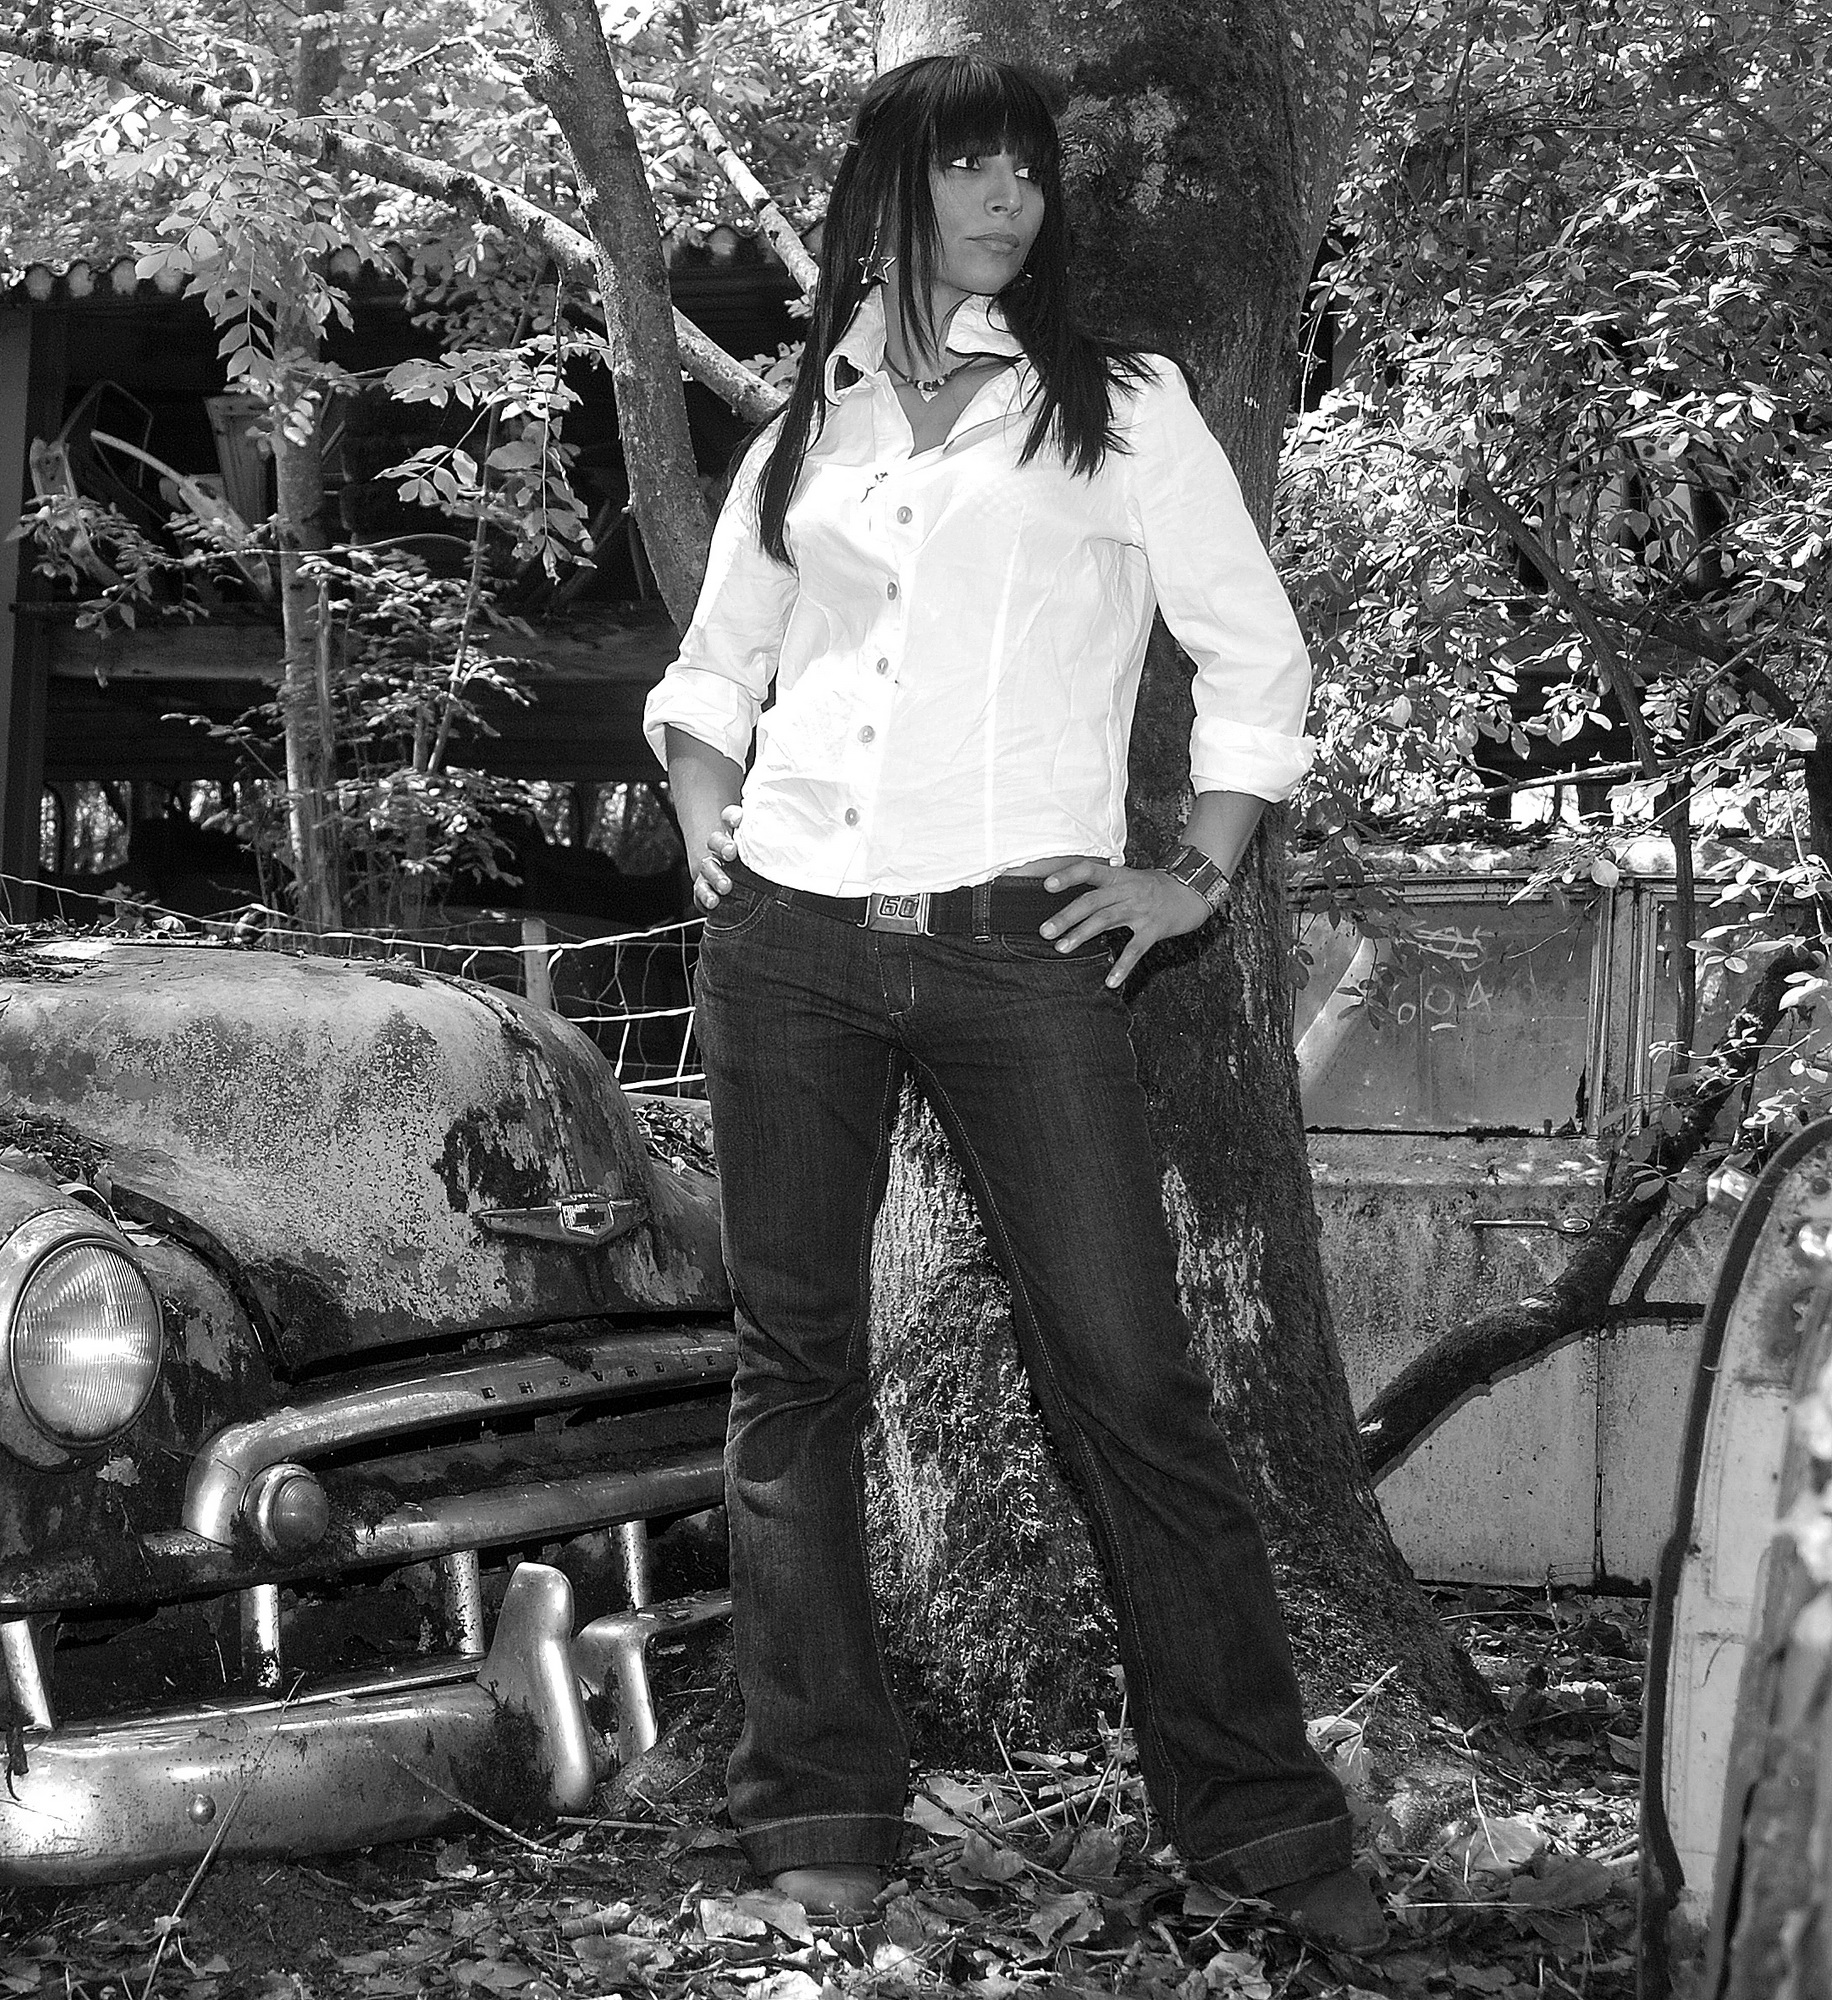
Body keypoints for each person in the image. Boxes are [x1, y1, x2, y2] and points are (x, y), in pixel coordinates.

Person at [643, 53, 1386, 1951]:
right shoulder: (811, 428)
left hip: (1022, 949)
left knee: (1131, 1381)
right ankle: (818, 1803)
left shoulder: (1119, 408)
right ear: (888, 195)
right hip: (792, 943)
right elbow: (723, 658)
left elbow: (1254, 653)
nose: (1009, 202)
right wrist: (708, 805)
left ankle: (1264, 1828)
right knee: (794, 1376)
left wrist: (1194, 871)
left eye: (1027, 173)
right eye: (969, 168)